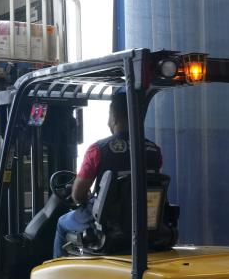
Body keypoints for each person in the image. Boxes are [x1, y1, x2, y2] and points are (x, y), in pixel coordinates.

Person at [52, 93, 162, 257]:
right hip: (144, 221)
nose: (108, 121)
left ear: (114, 117)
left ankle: (56, 277)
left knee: (62, 223)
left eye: (109, 116)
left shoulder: (98, 149)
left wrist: (85, 197)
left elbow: (77, 195)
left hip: (107, 223)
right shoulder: (154, 150)